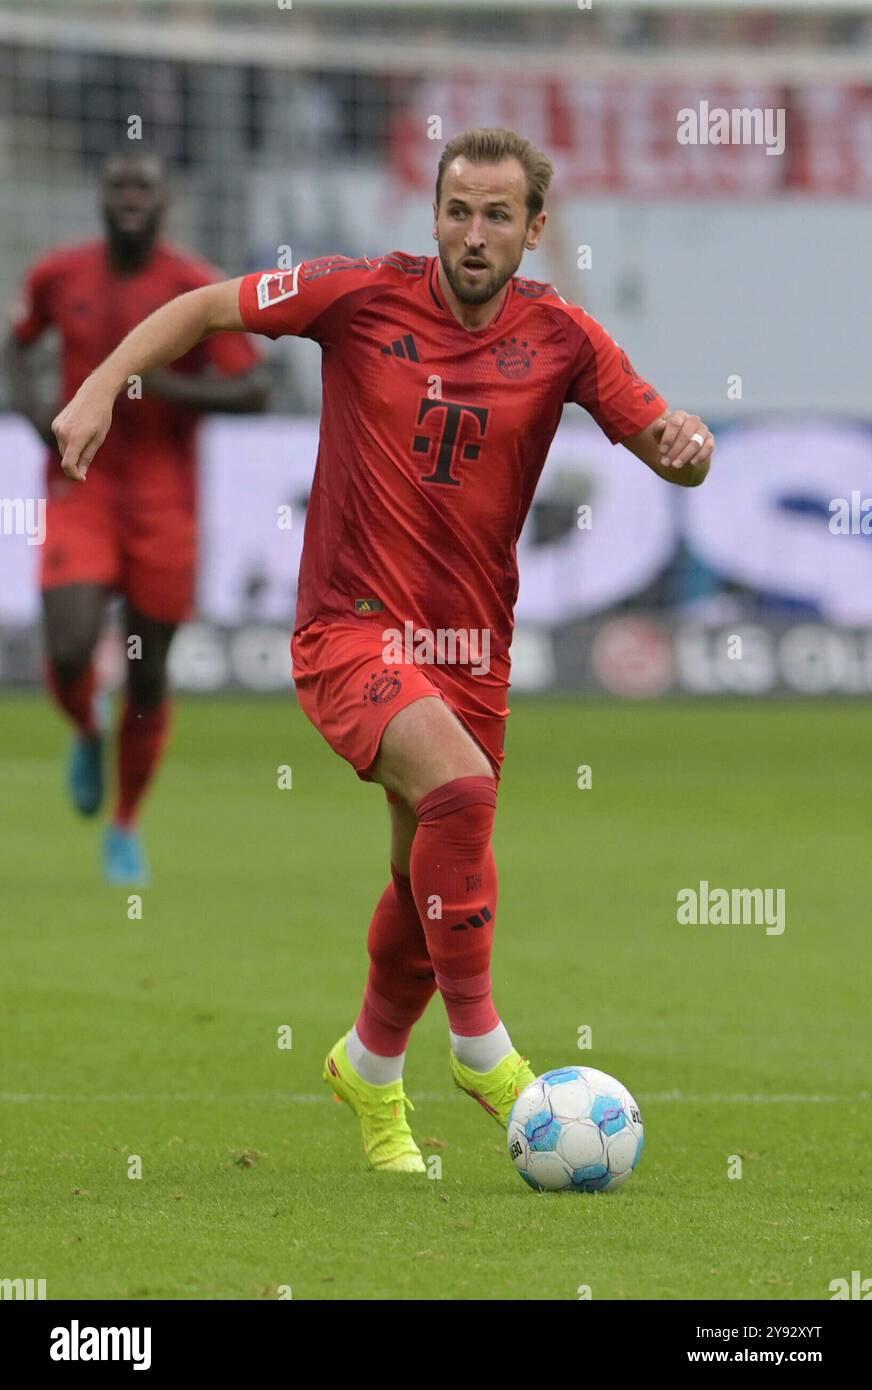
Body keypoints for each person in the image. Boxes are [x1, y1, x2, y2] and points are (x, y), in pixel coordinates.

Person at [50, 127, 714, 1170]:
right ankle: (483, 1048)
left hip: (469, 647)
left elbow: (664, 445)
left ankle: (365, 1065)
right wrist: (100, 387)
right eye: (457, 210)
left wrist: (688, 446)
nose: (473, 233)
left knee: (422, 882)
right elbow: (201, 306)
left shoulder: (565, 338)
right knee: (459, 795)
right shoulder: (358, 294)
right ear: (434, 215)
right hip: (346, 629)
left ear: (533, 228)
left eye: (498, 215)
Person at [6, 151, 269, 884]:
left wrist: (162, 385)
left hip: (164, 501)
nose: (130, 199)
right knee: (67, 647)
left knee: (147, 674)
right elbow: (17, 343)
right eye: (118, 187)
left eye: (143, 189)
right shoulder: (59, 276)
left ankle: (125, 825)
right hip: (78, 487)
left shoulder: (194, 288)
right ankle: (88, 728)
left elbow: (254, 390)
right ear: (101, 200)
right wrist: (33, 413)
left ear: (164, 204)